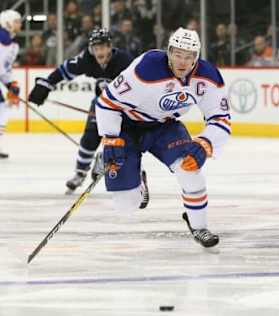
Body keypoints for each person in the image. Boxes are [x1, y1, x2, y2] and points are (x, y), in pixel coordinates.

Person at [95, 27, 231, 248]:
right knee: (126, 204)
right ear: (169, 51)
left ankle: (199, 226)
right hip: (127, 127)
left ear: (197, 57)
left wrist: (205, 143)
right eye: (177, 54)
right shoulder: (146, 67)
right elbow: (107, 103)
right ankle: (138, 182)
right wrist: (110, 137)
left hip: (163, 127)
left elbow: (221, 118)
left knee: (190, 169)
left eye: (189, 57)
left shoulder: (208, 77)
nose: (183, 62)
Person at [28, 28, 138, 195]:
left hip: (123, 106)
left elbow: (140, 85)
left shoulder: (125, 60)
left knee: (121, 139)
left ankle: (107, 159)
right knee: (90, 137)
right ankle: (80, 173)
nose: (99, 52)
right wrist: (46, 85)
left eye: (102, 47)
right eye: (96, 48)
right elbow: (64, 70)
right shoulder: (86, 59)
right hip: (101, 103)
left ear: (110, 47)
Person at [0, 10, 22, 159]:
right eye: (16, 21)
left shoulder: (13, 46)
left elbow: (4, 70)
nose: (19, 24)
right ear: (7, 22)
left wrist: (11, 85)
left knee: (3, 108)